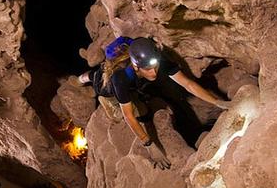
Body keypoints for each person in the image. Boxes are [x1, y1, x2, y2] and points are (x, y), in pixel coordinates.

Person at [74, 37, 231, 169]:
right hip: (108, 87)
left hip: (136, 82)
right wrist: (149, 145)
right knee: (99, 81)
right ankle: (80, 79)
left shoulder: (156, 59)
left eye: (155, 67)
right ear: (136, 65)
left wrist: (217, 102)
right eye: (148, 69)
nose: (154, 72)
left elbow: (188, 84)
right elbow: (129, 116)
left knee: (146, 94)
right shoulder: (120, 78)